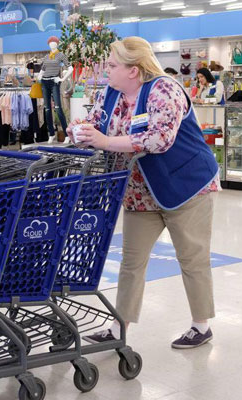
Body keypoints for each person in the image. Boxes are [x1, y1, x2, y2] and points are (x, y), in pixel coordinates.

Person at [68, 37, 220, 349]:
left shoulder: (164, 88)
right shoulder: (112, 93)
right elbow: (94, 124)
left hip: (187, 186)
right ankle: (118, 326)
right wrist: (80, 132)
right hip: (139, 192)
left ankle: (200, 325)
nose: (106, 71)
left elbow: (159, 140)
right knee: (131, 261)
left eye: (112, 65)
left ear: (134, 70)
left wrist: (106, 142)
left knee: (192, 257)